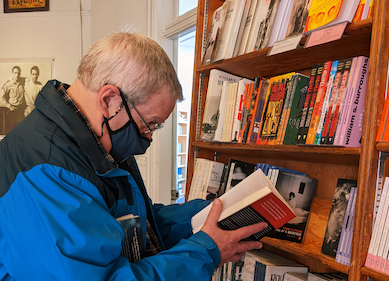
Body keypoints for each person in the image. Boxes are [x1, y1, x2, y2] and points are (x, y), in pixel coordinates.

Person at [0, 32, 266, 281]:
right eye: (149, 124)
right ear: (109, 100)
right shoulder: (48, 170)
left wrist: (204, 214)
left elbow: (130, 227)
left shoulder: (97, 140)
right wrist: (206, 251)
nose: (148, 137)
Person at [0, 65, 25, 132]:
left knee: (21, 130)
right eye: (15, 73)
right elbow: (1, 97)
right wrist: (9, 106)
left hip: (21, 110)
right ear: (12, 74)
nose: (17, 75)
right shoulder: (8, 84)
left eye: (18, 73)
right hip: (12, 110)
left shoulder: (23, 82)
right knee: (11, 130)